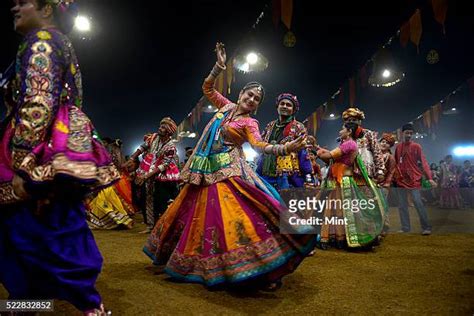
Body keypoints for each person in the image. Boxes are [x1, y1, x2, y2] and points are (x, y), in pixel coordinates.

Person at [144, 42, 316, 291]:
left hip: (229, 173)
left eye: (256, 99)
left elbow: (260, 146)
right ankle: (200, 264)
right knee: (197, 217)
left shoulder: (250, 122)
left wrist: (286, 149)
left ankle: (255, 267)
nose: (252, 99)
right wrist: (218, 67)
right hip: (205, 172)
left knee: (230, 217)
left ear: (257, 106)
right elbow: (207, 88)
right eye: (250, 94)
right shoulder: (225, 106)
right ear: (241, 94)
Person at [0, 1, 119, 314]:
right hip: (58, 149)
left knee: (27, 237)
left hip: (35, 150)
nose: (14, 5)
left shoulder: (41, 42)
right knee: (52, 231)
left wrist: (22, 162)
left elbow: (37, 100)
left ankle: (57, 305)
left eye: (23, 1)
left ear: (47, 8)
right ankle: (35, 306)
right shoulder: (63, 44)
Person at [315, 123, 387, 249]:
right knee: (339, 211)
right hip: (339, 180)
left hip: (343, 181)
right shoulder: (347, 144)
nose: (340, 131)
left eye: (342, 128)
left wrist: (316, 151)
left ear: (349, 131)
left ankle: (341, 239)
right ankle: (339, 239)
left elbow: (329, 156)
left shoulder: (349, 144)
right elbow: (332, 156)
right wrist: (318, 149)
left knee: (340, 211)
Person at [125, 117, 180, 233]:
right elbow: (142, 147)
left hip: (161, 178)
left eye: (163, 127)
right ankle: (150, 226)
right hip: (147, 172)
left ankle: (163, 228)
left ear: (169, 131)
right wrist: (132, 158)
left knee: (160, 202)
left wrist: (147, 176)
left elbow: (164, 165)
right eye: (160, 126)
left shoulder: (171, 147)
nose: (160, 128)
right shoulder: (153, 137)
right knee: (147, 199)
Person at [256, 93, 312, 190]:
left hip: (286, 176)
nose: (285, 106)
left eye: (289, 105)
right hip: (265, 172)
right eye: (282, 104)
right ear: (277, 107)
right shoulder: (270, 125)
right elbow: (260, 145)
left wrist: (307, 173)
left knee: (283, 203)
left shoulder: (299, 127)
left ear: (294, 110)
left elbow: (303, 152)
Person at [394, 123, 436, 235]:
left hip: (414, 180)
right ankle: (405, 227)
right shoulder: (398, 147)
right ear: (402, 133)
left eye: (411, 133)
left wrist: (430, 178)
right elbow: (396, 163)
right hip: (401, 180)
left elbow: (424, 162)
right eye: (407, 133)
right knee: (402, 205)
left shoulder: (416, 146)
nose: (409, 135)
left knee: (418, 203)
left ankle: (426, 227)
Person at [378, 133, 396, 235]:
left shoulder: (390, 157)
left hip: (384, 185)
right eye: (383, 141)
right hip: (373, 183)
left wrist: (387, 183)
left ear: (390, 146)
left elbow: (392, 171)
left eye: (387, 143)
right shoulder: (374, 154)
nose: (384, 144)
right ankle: (376, 226)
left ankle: (385, 226)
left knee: (383, 205)